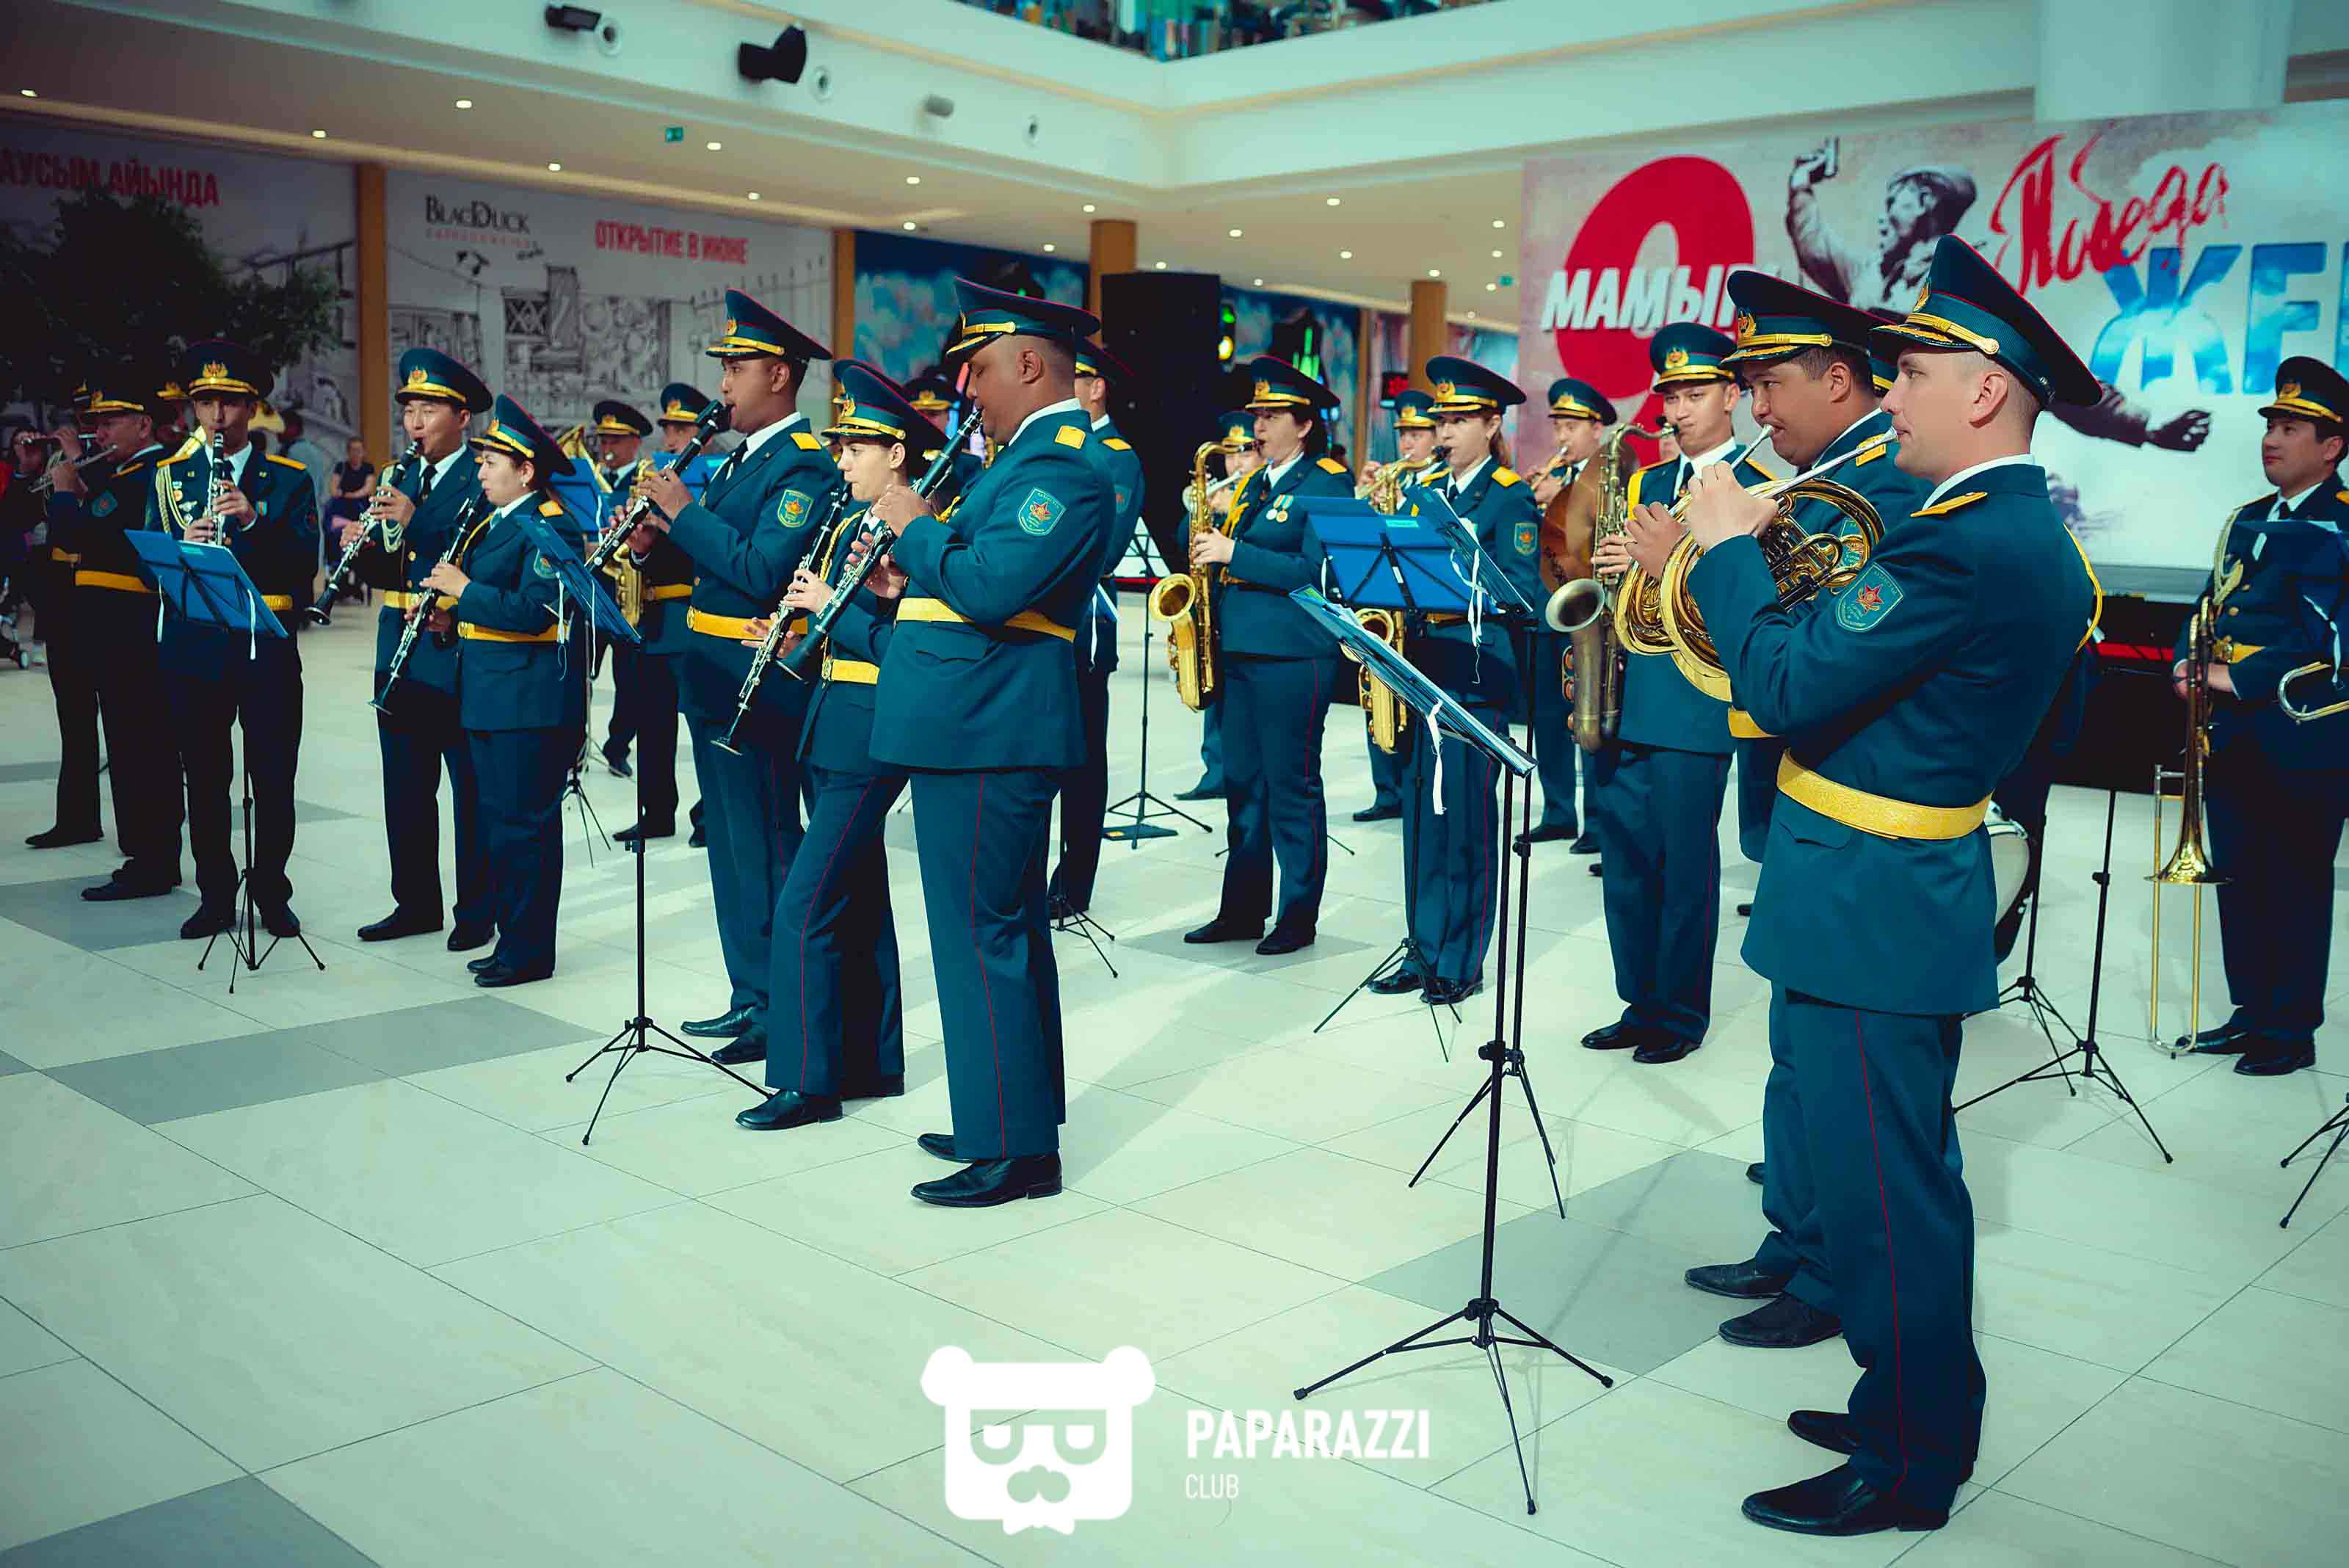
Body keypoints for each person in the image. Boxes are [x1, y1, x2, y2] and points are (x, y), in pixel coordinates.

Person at [1639, 234, 2098, 1536]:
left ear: (1987, 391)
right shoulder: (1991, 530)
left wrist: (1729, 549)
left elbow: (1790, 685)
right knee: (1878, 1177)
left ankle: (1910, 1459)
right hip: (1873, 891)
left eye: (1912, 375)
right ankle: (1905, 1403)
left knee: (1890, 1197)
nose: (1888, 396)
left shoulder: (1964, 544)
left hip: (1874, 902)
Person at [1675, 270, 1930, 1355]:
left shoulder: (1888, 486)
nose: (1757, 407)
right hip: (1804, 786)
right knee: (1794, 1041)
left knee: (1832, 1064)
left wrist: (1718, 559)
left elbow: (1814, 643)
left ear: (1836, 378)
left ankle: (1828, 1266)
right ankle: (1796, 1235)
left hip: (1851, 795)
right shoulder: (1822, 475)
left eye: (1770, 383)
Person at [857, 279, 1117, 1207]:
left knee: (983, 936)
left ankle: (1014, 1149)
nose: (966, 390)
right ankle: (1002, 1118)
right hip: (972, 719)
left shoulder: (1061, 469)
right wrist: (911, 571)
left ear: (1029, 363)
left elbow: (992, 587)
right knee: (994, 931)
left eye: (977, 370)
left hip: (988, 726)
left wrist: (916, 529)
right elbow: (968, 573)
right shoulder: (1021, 463)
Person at [625, 292, 843, 1064]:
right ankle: (748, 992)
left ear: (779, 375)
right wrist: (653, 539)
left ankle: (781, 1005)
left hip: (759, 681)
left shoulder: (803, 465)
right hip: (711, 675)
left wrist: (683, 512)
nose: (722, 385)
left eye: (737, 368)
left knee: (768, 844)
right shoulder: (742, 460)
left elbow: (758, 570)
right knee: (729, 845)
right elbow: (707, 559)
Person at [733, 360, 930, 1133]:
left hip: (872, 731)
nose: (842, 461)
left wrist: (827, 609)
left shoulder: (915, 529)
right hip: (833, 721)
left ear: (897, 455)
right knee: (858, 897)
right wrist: (792, 636)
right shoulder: (851, 525)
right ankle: (873, 1062)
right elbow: (841, 636)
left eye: (857, 448)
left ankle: (806, 1081)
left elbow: (900, 648)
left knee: (803, 905)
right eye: (842, 447)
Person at [1586, 324, 1770, 1064]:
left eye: (1694, 393)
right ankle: (1639, 1001)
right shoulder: (1646, 482)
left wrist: (1666, 567)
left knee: (1684, 868)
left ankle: (1680, 1015)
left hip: (1697, 699)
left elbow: (1749, 599)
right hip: (1627, 691)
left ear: (1732, 395)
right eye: (1670, 395)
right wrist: (1614, 565)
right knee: (1626, 862)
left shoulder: (1758, 487)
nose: (1678, 409)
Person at [1787, 147, 2207, 454]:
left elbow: (2046, 371)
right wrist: (1801, 185)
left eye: (1893, 202)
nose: (1883, 217)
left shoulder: (1964, 292)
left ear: (1926, 201)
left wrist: (2143, 423)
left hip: (1917, 464)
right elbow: (1815, 247)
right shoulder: (1871, 274)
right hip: (1861, 460)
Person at [2178, 355, 2349, 1078]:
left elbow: (2334, 639)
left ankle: (2289, 1028)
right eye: (2270, 426)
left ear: (2331, 446)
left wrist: (2236, 676)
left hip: (2304, 734)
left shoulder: (2342, 524)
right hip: (2233, 732)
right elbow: (2211, 603)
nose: (2271, 440)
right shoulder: (2246, 519)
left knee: (2295, 880)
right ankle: (2250, 1010)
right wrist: (2187, 658)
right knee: (2240, 874)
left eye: (2290, 429)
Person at [414, 396, 590, 987]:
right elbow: (492, 611)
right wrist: (449, 618)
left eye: (492, 462)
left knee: (526, 829)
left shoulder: (551, 524)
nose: (482, 471)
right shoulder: (500, 520)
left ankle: (530, 952)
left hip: (527, 702)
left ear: (527, 471)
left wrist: (464, 590)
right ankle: (512, 940)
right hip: (489, 694)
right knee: (501, 827)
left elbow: (538, 611)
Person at [1366, 358, 1525, 1003]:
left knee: (1465, 824)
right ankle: (1423, 947)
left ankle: (1461, 957)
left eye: (1461, 420)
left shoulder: (1508, 495)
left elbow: (1523, 592)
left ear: (1493, 425)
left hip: (1475, 674)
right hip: (1422, 671)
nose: (1447, 432)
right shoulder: (1424, 490)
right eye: (1443, 421)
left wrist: (1460, 579)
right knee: (1422, 823)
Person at [148, 341, 319, 939]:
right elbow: (148, 560)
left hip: (265, 647)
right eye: (204, 403)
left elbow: (304, 564)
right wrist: (184, 548)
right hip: (196, 646)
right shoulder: (170, 477)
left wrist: (253, 521)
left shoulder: (290, 480)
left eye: (228, 402)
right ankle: (215, 895)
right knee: (204, 777)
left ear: (252, 407)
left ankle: (272, 892)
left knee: (273, 777)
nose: (216, 415)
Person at [1185, 360, 1352, 957]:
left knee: (1291, 787)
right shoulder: (1255, 482)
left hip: (1293, 654)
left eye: (1272, 416)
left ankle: (1298, 916)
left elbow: (1318, 574)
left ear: (1303, 425)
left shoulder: (1327, 482)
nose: (1258, 426)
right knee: (1244, 786)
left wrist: (1234, 553)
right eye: (1256, 415)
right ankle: (1242, 909)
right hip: (1240, 649)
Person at [350, 348, 496, 950]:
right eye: (409, 409)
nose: (415, 422)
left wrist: (415, 520)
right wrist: (362, 548)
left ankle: (476, 912)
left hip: (454, 647)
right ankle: (414, 903)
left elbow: (480, 555)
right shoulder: (397, 474)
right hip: (400, 645)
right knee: (405, 787)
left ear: (461, 417)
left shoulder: (485, 474)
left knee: (470, 792)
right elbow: (392, 567)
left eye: (429, 409)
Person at [1048, 341, 1144, 919]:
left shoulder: (1117, 456)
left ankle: (1075, 880)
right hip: (1044, 627)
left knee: (1083, 762)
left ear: (1097, 387)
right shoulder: (1059, 445)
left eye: (1076, 378)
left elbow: (1105, 549)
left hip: (1086, 625)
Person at [611, 383, 710, 846]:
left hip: (690, 616)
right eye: (668, 428)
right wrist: (638, 545)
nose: (671, 438)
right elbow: (647, 552)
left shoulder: (711, 480)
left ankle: (709, 815)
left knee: (701, 725)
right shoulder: (657, 477)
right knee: (652, 724)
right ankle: (655, 812)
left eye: (682, 429)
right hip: (652, 620)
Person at [1522, 377, 1616, 852]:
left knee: (1589, 713)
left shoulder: (1611, 473)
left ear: (1597, 429)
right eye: (1558, 425)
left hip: (1590, 612)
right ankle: (1557, 811)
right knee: (1549, 719)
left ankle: (1597, 822)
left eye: (1572, 426)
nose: (1562, 435)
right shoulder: (1553, 476)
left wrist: (1561, 498)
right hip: (1550, 609)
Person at [1352, 388, 1443, 824]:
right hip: (1386, 604)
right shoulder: (1392, 479)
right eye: (1403, 433)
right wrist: (1364, 499)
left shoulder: (1439, 483)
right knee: (1377, 692)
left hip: (1422, 609)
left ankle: (1409, 788)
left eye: (1417, 433)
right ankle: (1385, 788)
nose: (1407, 442)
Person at [1179, 409, 1259, 803]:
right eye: (1230, 454)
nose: (1237, 463)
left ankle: (1236, 774)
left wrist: (1230, 511)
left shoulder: (1260, 494)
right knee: (1212, 688)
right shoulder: (1219, 492)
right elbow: (1185, 541)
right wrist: (1201, 509)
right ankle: (1214, 770)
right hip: (1213, 606)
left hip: (1248, 610)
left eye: (1246, 452)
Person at [589, 399, 654, 781]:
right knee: (580, 671)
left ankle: (618, 747)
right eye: (603, 440)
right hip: (593, 587)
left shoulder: (645, 479)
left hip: (630, 586)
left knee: (630, 681)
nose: (607, 447)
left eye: (615, 439)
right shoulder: (586, 482)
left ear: (635, 442)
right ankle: (573, 748)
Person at [280, 413, 332, 512]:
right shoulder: (316, 451)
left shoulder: (290, 452)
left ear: (293, 428)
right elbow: (321, 488)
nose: (276, 431)